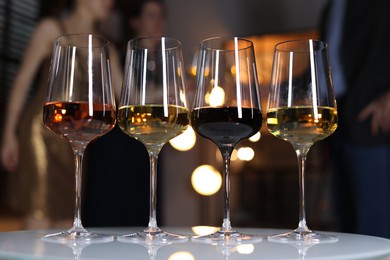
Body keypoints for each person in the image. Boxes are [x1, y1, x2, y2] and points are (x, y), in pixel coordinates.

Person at [0, 0, 122, 229]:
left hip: (80, 139)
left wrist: (172, 90)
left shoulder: (107, 47)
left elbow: (128, 95)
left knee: (68, 219)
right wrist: (8, 133)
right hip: (42, 130)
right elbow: (22, 80)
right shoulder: (51, 28)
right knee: (39, 212)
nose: (110, 2)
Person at [82, 0, 167, 227]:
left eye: (161, 16)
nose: (157, 22)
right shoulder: (121, 55)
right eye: (151, 15)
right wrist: (170, 93)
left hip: (151, 143)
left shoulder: (166, 62)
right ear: (135, 21)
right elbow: (126, 97)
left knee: (144, 207)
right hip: (118, 146)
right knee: (113, 210)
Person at [322, 0, 390, 238]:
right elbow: (327, 67)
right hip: (337, 124)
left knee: (375, 231)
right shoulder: (333, 6)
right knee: (346, 228)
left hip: (374, 123)